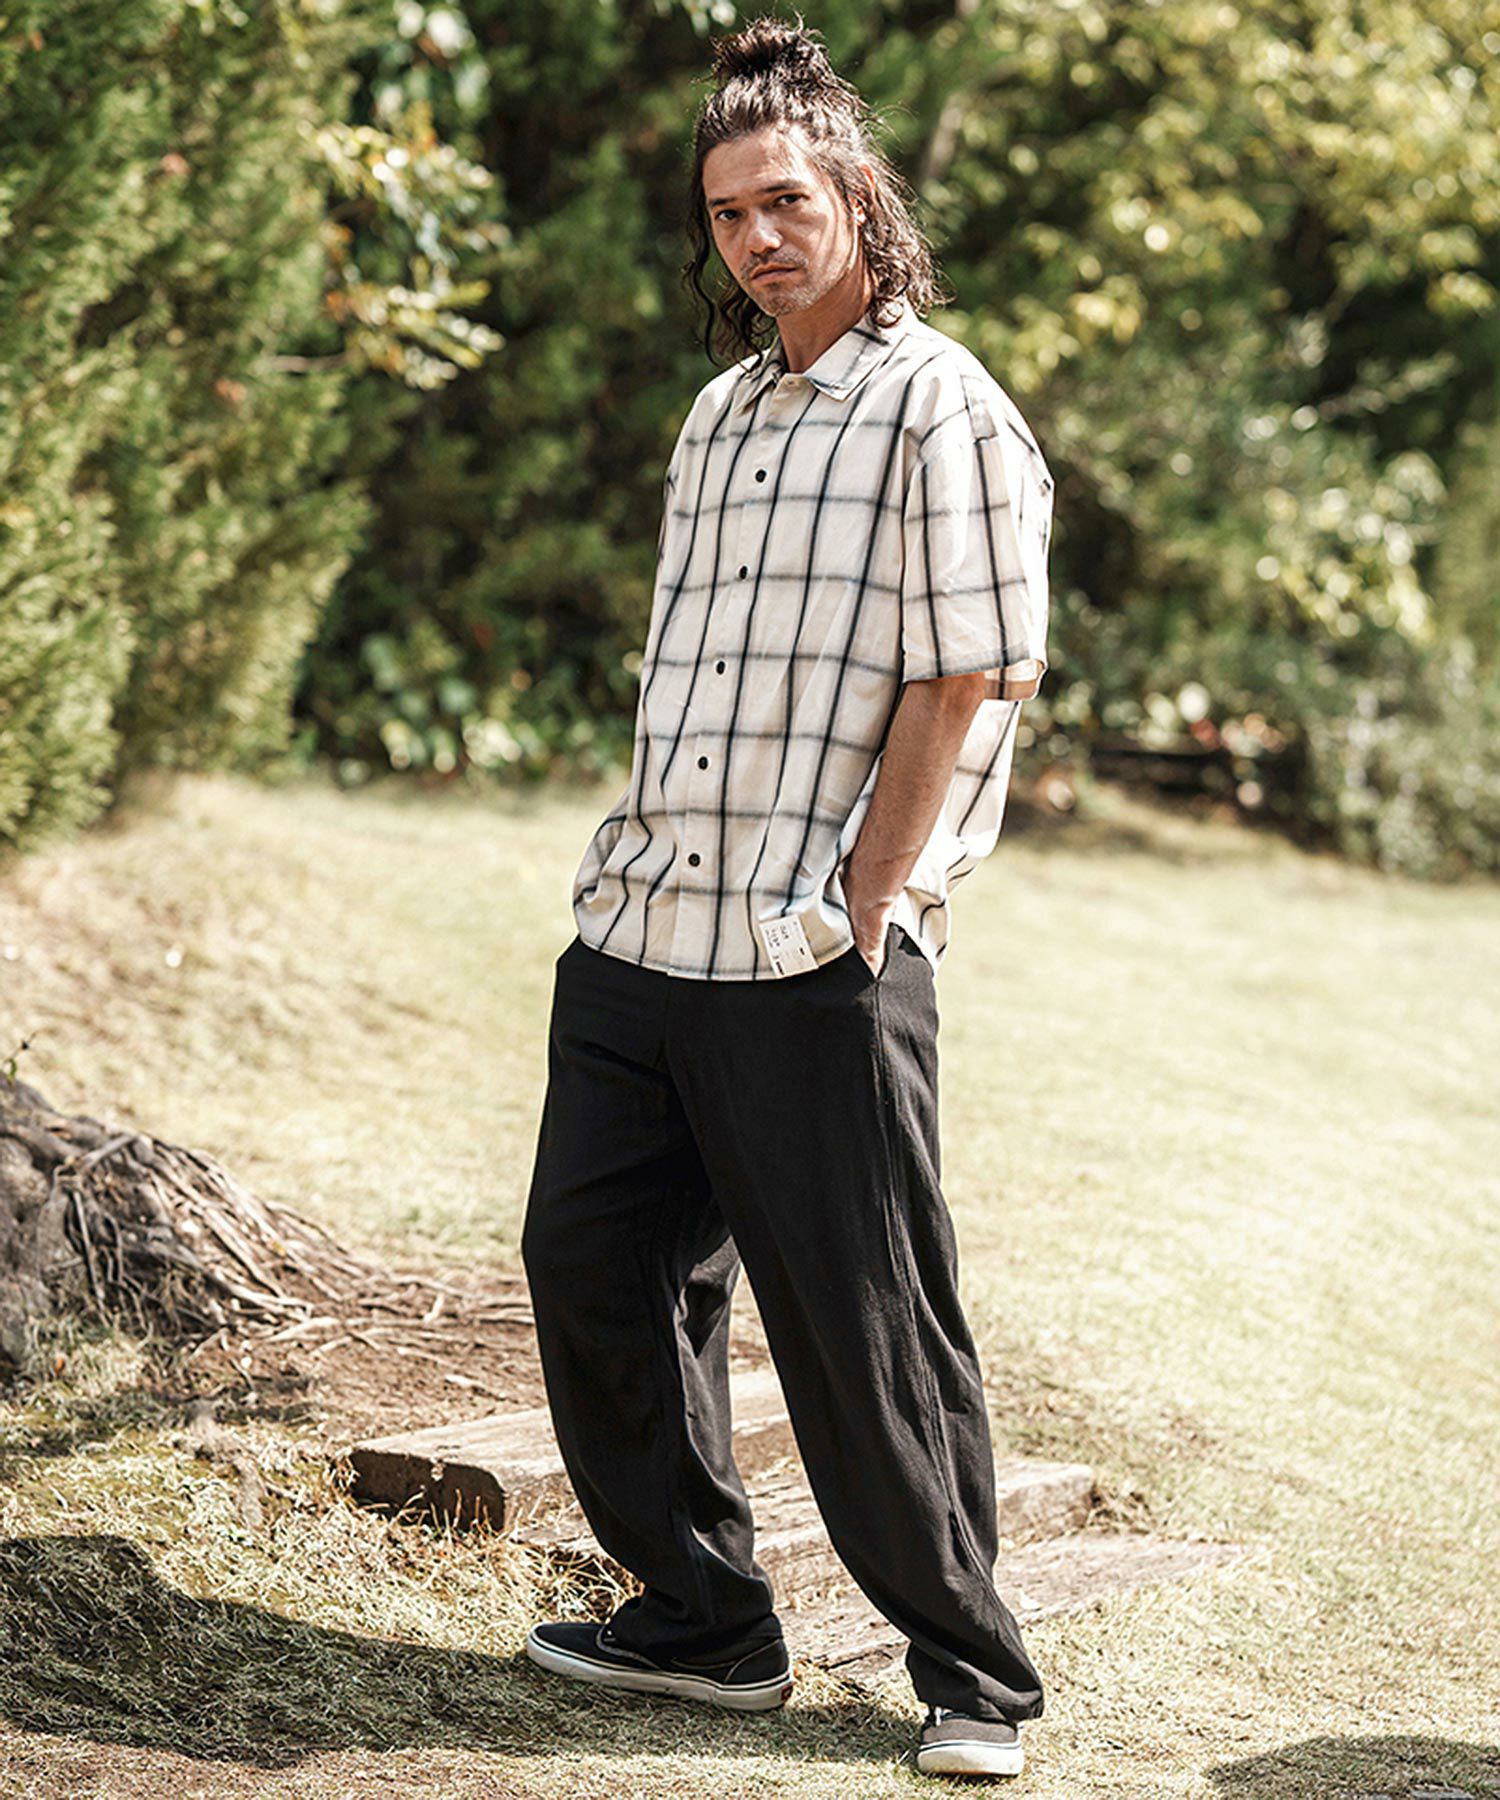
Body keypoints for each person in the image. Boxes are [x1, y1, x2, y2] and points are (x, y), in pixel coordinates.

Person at [520, 17, 1054, 1782]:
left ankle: (972, 1671)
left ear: (859, 200)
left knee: (862, 1317)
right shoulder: (719, 415)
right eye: (728, 213)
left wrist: (866, 893)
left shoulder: (942, 407)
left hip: (811, 946)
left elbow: (971, 673)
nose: (756, 237)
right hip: (644, 921)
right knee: (593, 1261)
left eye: (786, 202)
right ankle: (702, 1619)